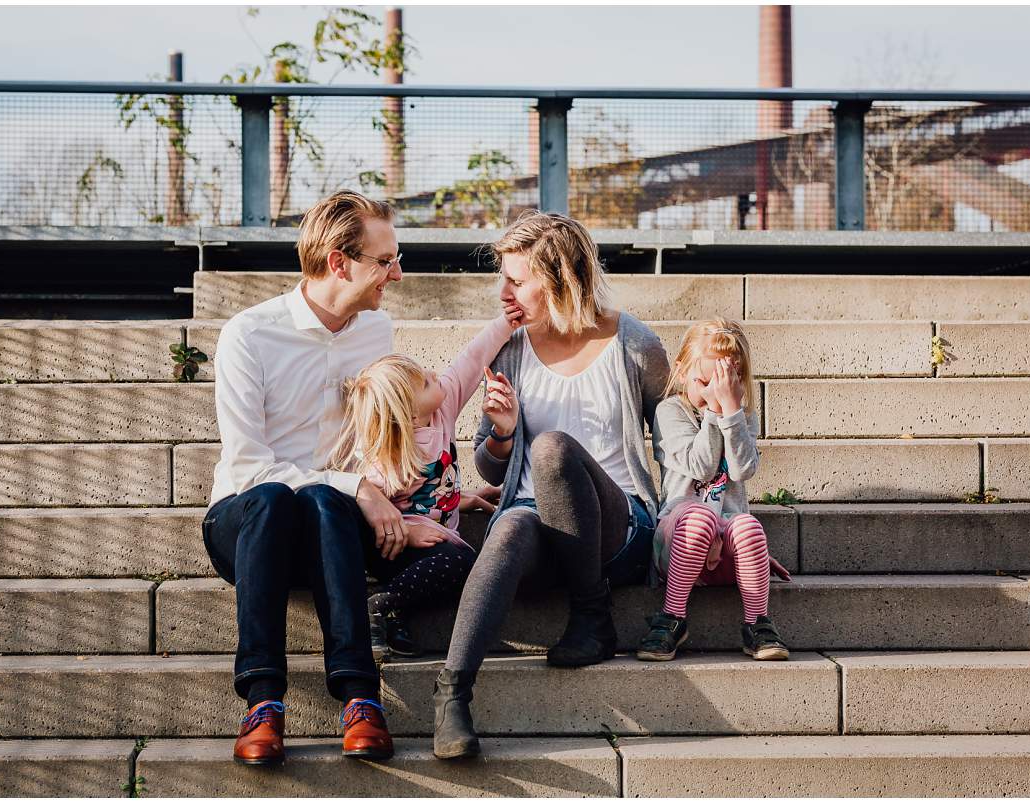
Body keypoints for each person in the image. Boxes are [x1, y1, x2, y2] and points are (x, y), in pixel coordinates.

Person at [433, 212, 669, 760]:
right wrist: (504, 434)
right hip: (537, 525)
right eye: (504, 278)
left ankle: (592, 615)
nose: (504, 291)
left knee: (553, 449)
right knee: (512, 521)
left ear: (560, 279)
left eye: (517, 280)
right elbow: (491, 471)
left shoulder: (634, 344)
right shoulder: (509, 350)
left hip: (618, 528)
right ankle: (452, 695)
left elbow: (674, 442)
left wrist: (704, 515)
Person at [201, 190, 407, 766]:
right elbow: (246, 462)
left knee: (320, 496)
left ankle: (360, 698)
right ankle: (263, 703)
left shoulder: (376, 331)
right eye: (384, 260)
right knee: (273, 496)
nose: (397, 273)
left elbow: (377, 441)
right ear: (340, 262)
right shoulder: (250, 333)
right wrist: (356, 488)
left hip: (333, 529)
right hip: (247, 525)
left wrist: (385, 490)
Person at [328, 311, 519, 659]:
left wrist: (506, 322)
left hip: (430, 539)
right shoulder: (386, 459)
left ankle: (392, 613)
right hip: (393, 545)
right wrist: (405, 531)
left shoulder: (442, 413)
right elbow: (358, 509)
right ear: (411, 416)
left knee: (461, 563)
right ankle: (379, 604)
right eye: (426, 383)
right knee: (462, 561)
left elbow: (471, 360)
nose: (435, 375)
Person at [637, 318, 791, 663]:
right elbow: (701, 466)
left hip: (722, 553)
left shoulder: (741, 415)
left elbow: (742, 469)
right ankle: (672, 617)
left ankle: (757, 625)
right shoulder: (669, 412)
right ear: (681, 371)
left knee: (747, 525)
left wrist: (731, 412)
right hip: (678, 542)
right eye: (704, 383)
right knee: (701, 515)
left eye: (723, 385)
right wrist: (713, 413)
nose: (713, 394)